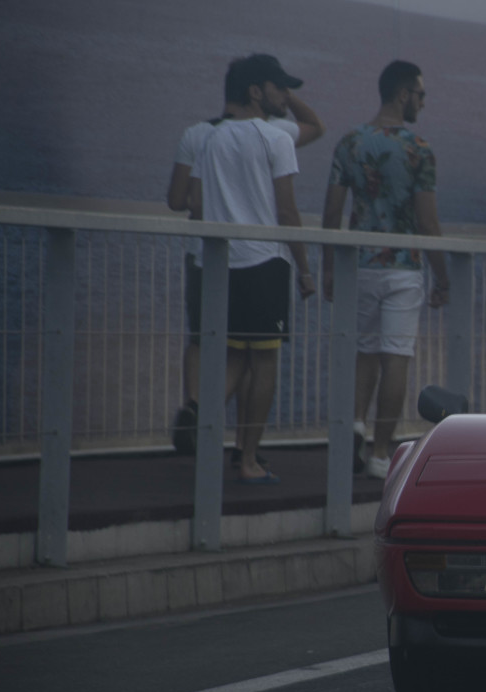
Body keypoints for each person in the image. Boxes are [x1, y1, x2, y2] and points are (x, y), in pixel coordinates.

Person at [168, 57, 324, 460]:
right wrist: (305, 270)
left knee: (233, 354)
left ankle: (200, 414)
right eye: (279, 88)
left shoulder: (210, 138)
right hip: (264, 263)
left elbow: (195, 203)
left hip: (222, 263)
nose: (285, 97)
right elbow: (288, 213)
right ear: (256, 92)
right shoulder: (276, 139)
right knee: (266, 362)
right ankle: (248, 458)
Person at [321, 60, 451, 479]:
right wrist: (442, 277)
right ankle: (380, 454)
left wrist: (328, 268)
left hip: (359, 263)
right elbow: (428, 222)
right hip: (403, 267)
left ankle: (355, 423)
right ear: (403, 94)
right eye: (421, 95)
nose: (423, 103)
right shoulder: (418, 149)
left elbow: (331, 214)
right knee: (396, 356)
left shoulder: (350, 143)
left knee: (363, 351)